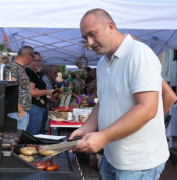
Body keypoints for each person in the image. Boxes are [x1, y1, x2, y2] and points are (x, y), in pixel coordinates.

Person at [69, 9, 169, 179]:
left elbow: (147, 108)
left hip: (137, 163)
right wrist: (86, 128)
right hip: (112, 156)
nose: (90, 42)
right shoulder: (102, 63)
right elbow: (103, 103)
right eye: (85, 38)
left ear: (111, 27)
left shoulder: (139, 54)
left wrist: (103, 136)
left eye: (93, 34)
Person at [5, 46, 34, 131]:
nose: (32, 60)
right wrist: (21, 111)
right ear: (28, 56)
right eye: (33, 57)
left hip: (19, 111)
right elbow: (10, 90)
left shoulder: (18, 68)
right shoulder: (13, 68)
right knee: (15, 140)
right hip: (16, 112)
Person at [25, 52, 53, 135]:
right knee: (33, 134)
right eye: (35, 60)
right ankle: (29, 148)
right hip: (33, 107)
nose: (37, 63)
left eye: (39, 60)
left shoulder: (35, 73)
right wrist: (46, 92)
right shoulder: (29, 72)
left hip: (39, 107)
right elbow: (31, 92)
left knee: (38, 134)